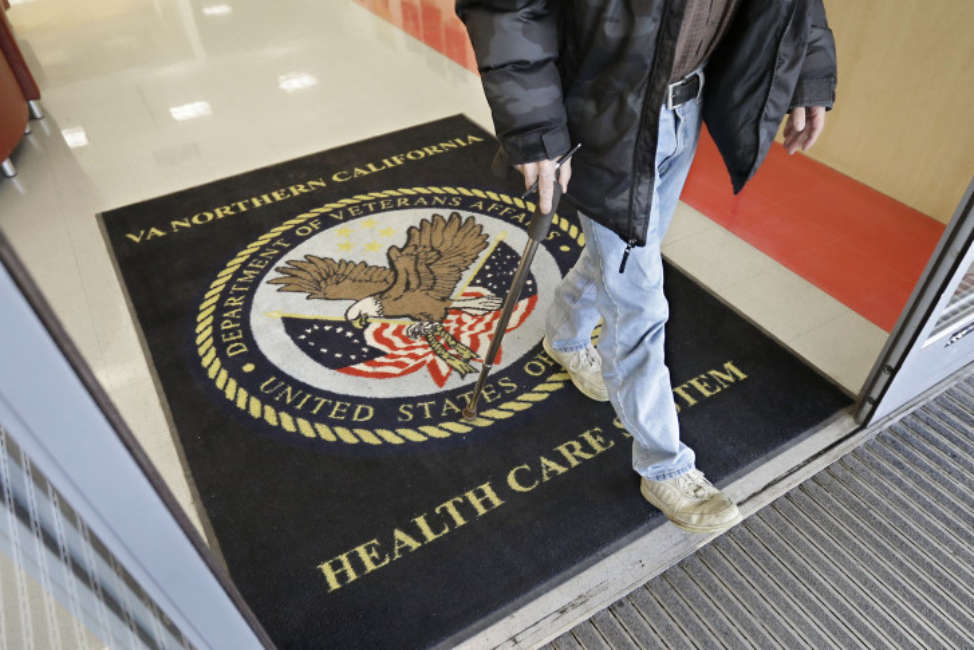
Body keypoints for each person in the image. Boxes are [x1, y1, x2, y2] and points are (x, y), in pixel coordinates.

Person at [456, 0, 837, 534]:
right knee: (639, 298)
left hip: (688, 100)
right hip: (606, 107)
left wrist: (808, 72)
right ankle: (665, 464)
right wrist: (533, 123)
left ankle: (564, 337)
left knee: (628, 248)